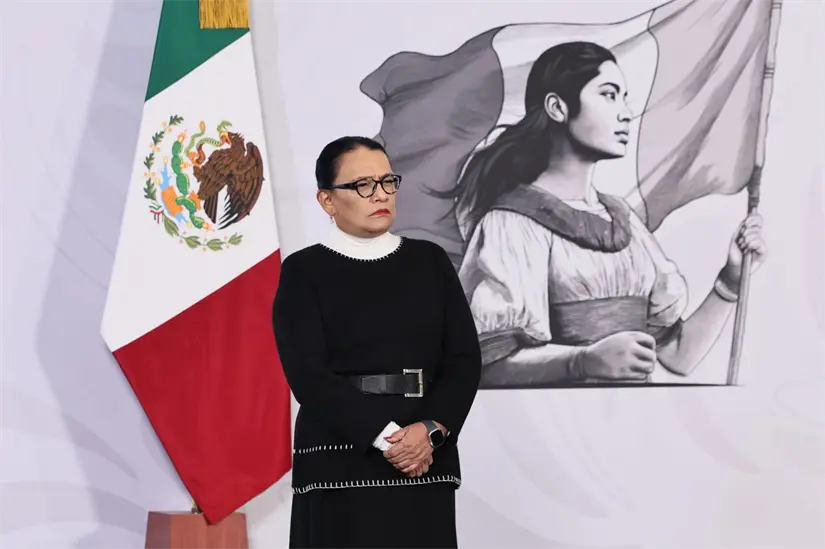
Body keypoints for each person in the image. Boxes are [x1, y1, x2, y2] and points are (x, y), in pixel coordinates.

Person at [450, 41, 767, 388]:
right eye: (609, 94)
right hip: (551, 431)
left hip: (629, 427)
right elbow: (488, 366)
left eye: (624, 96)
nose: (625, 112)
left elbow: (679, 356)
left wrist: (731, 281)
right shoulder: (512, 223)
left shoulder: (624, 220)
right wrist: (582, 361)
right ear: (557, 107)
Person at [272, 135, 482, 548]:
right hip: (340, 460)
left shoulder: (430, 261)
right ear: (327, 201)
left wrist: (430, 431)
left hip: (425, 458)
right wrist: (389, 438)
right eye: (362, 185)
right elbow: (308, 376)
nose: (379, 195)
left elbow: (463, 360)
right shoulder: (303, 270)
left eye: (388, 182)